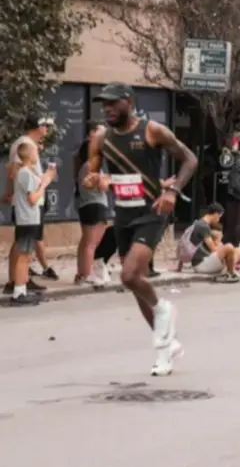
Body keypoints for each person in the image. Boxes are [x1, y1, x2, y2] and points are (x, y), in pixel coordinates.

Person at [82, 83, 198, 376]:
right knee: (136, 285)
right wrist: (94, 179)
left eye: (112, 103)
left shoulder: (152, 131)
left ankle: (163, 309)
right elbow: (93, 173)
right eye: (104, 104)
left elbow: (190, 159)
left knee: (129, 275)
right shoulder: (102, 138)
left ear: (129, 102)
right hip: (123, 215)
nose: (107, 109)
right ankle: (166, 349)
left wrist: (172, 191)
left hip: (151, 213)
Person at [5, 115, 54, 295]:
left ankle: (21, 280)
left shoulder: (28, 143)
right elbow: (14, 171)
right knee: (23, 245)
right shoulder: (24, 144)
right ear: (36, 127)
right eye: (45, 126)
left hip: (31, 200)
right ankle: (16, 282)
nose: (47, 129)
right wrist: (43, 182)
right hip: (29, 202)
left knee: (26, 244)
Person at [10, 142, 55, 305]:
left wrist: (47, 178)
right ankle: (18, 292)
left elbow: (37, 186)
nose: (38, 154)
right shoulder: (25, 173)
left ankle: (21, 290)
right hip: (27, 219)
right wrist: (44, 184)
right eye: (35, 151)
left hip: (30, 219)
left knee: (26, 255)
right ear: (29, 154)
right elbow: (32, 199)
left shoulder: (28, 172)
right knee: (23, 256)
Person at [73, 121, 112, 287]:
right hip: (96, 204)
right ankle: (88, 274)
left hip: (85, 205)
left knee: (85, 242)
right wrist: (108, 180)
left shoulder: (82, 166)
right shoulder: (92, 166)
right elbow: (103, 186)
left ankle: (82, 273)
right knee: (92, 244)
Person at [189, 204, 240, 281]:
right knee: (229, 247)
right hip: (201, 264)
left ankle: (227, 271)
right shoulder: (203, 226)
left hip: (207, 259)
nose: (218, 220)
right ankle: (231, 273)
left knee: (238, 250)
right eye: (219, 217)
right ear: (216, 214)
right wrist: (219, 240)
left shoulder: (201, 224)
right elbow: (213, 249)